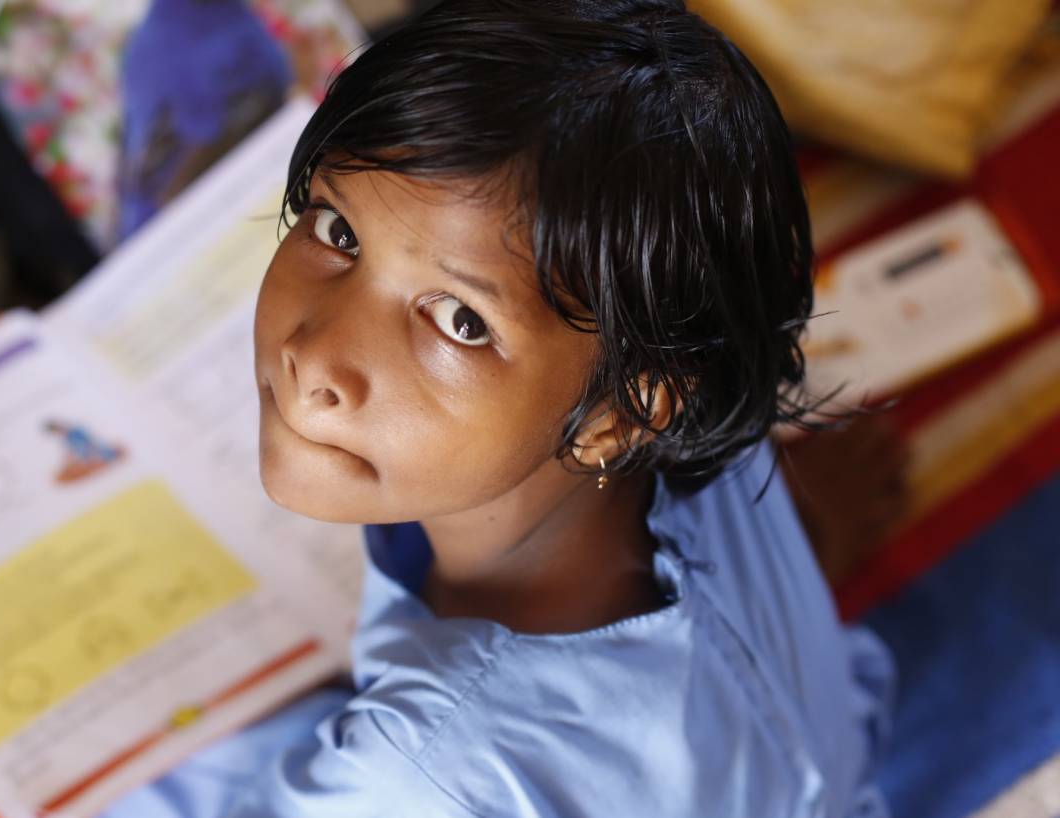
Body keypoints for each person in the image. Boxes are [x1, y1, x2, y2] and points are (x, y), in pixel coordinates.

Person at [106, 1, 894, 815]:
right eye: (338, 230)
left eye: (459, 321)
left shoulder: (406, 773)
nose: (315, 358)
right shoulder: (700, 420)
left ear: (617, 420)